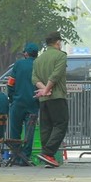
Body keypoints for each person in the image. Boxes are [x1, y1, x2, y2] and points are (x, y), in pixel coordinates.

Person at [32, 31, 68, 168]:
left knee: (46, 127)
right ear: (58, 42)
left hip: (44, 99)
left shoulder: (38, 59)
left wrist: (43, 90)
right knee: (61, 124)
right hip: (57, 96)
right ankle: (48, 152)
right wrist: (47, 90)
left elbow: (34, 78)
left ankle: (47, 156)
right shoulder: (61, 56)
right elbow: (56, 75)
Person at [7, 42, 40, 165]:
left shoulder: (18, 64)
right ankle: (26, 156)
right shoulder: (39, 64)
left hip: (18, 102)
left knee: (15, 130)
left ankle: (16, 155)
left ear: (26, 53)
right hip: (33, 103)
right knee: (29, 131)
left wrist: (11, 97)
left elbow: (11, 83)